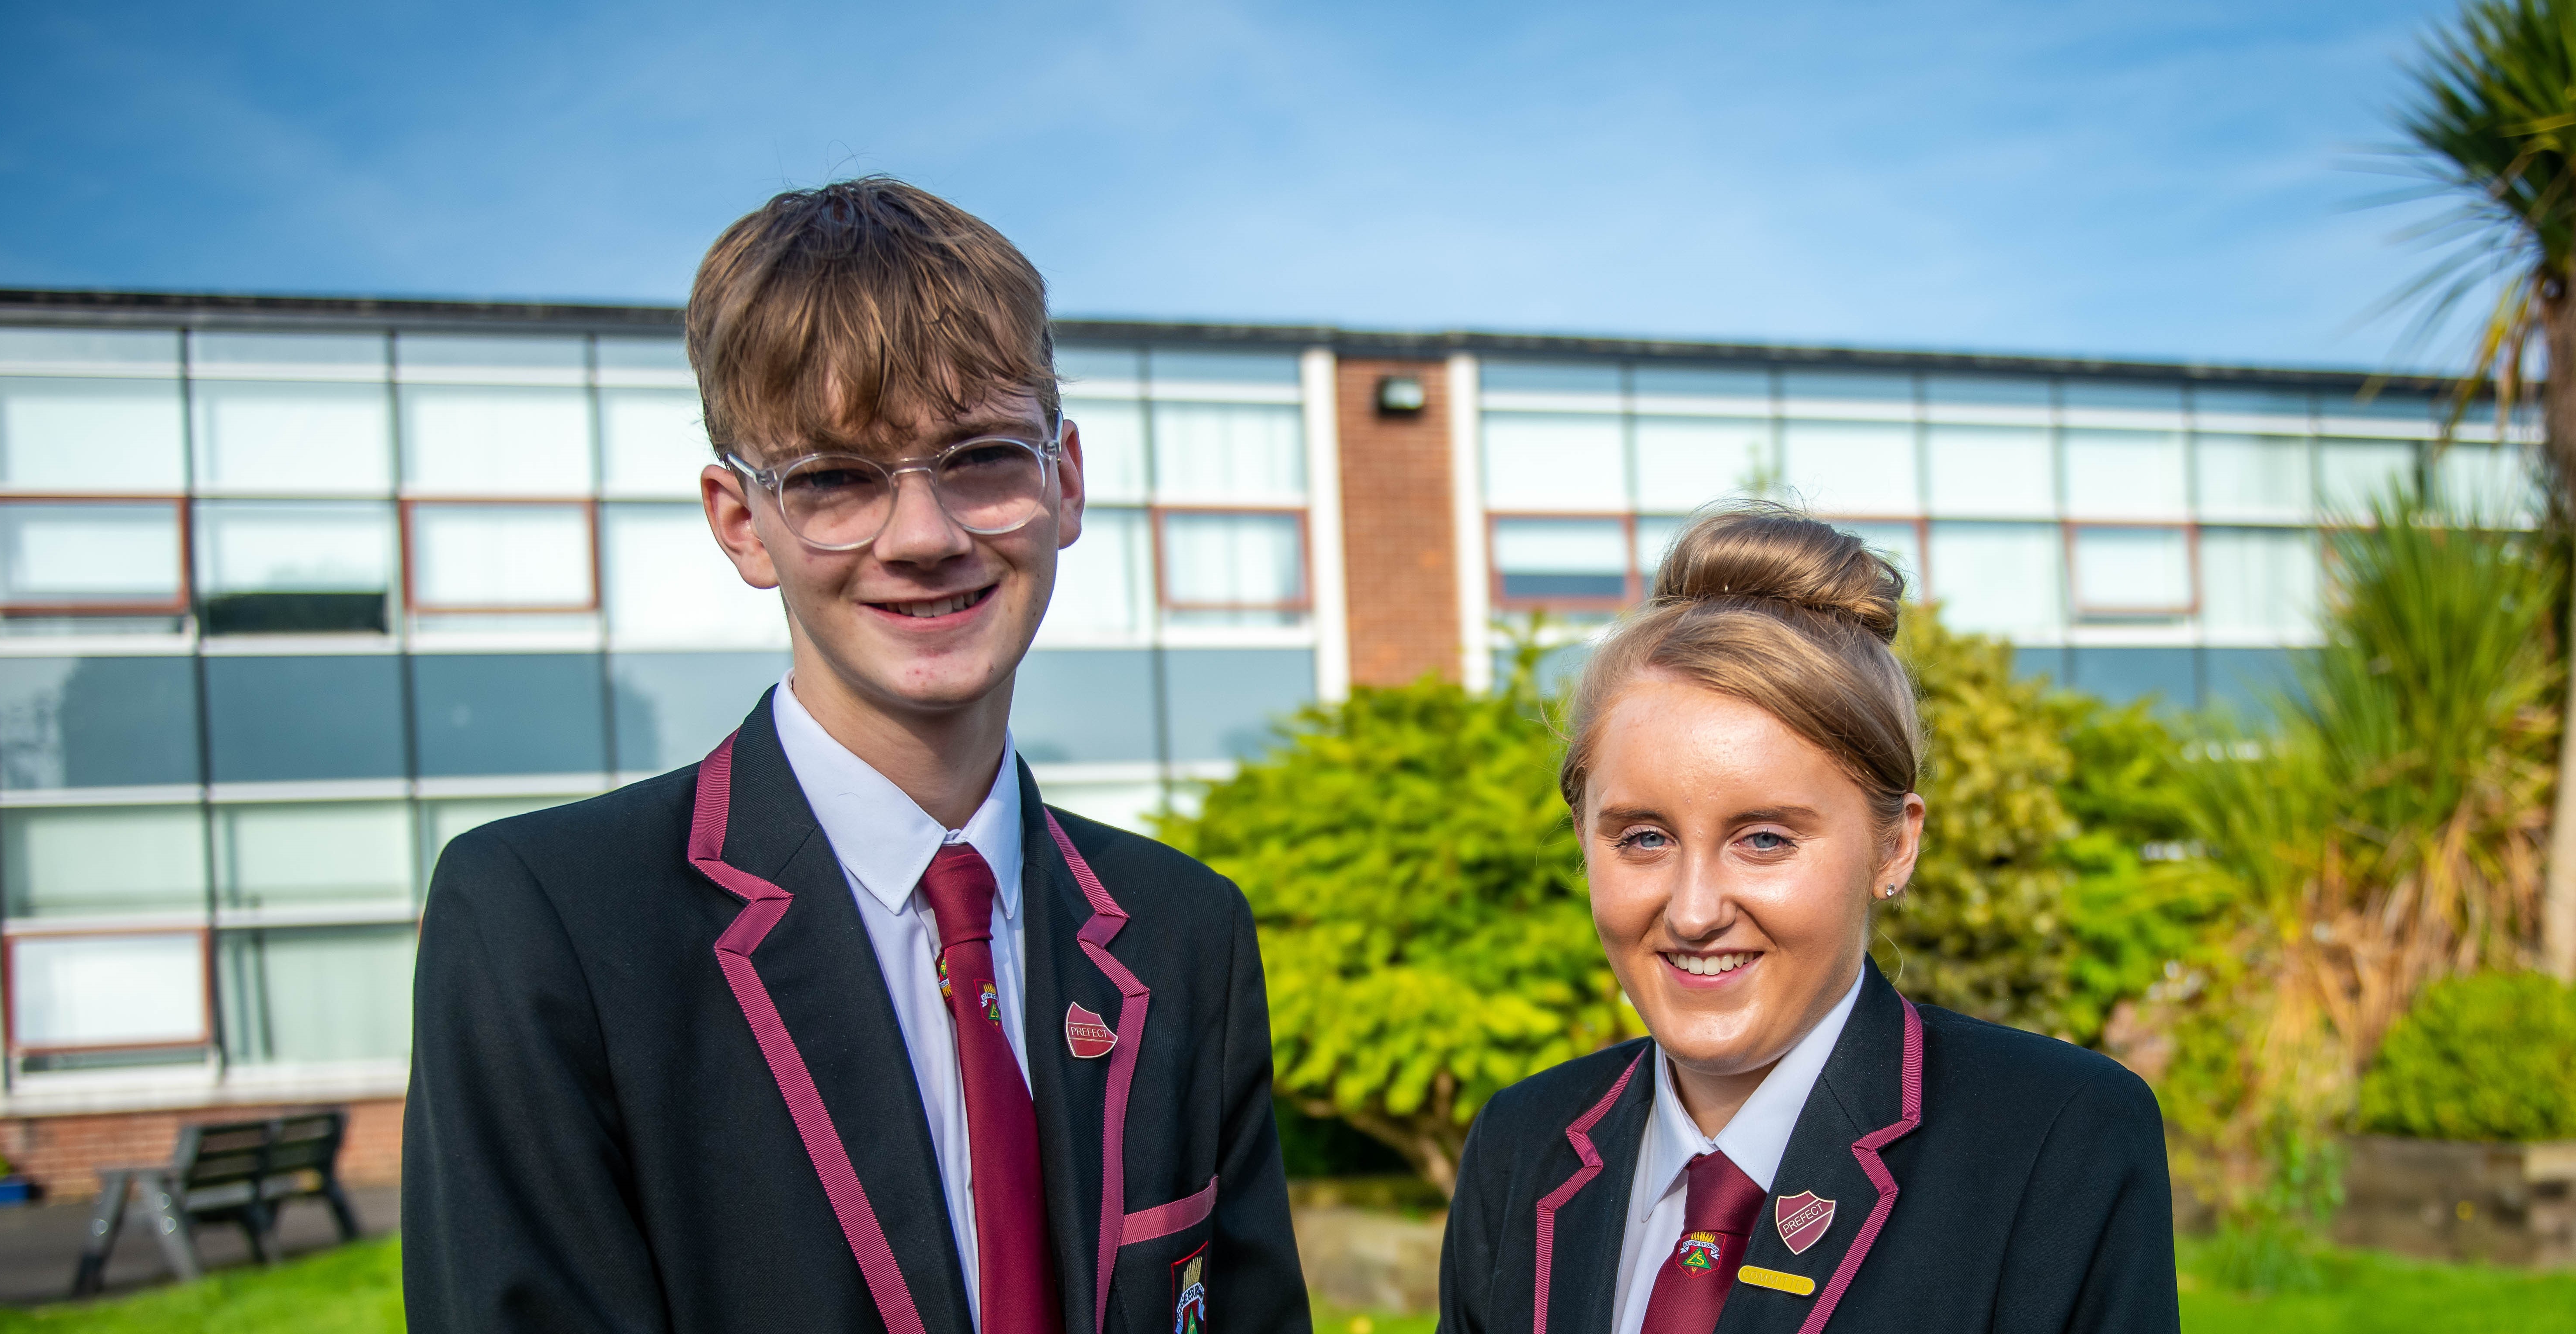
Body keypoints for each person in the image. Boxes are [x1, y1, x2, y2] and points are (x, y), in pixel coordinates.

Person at [404, 177, 1311, 1334]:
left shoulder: (1185, 933)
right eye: (833, 479)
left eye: (981, 456)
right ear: (741, 522)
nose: (924, 537)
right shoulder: (549, 926)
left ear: (1064, 481)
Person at [1436, 504, 2178, 1334]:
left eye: (1764, 839)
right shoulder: (1521, 1146)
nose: (1693, 909)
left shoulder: (2053, 1138)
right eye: (1643, 837)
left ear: (1895, 845)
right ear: (1583, 838)